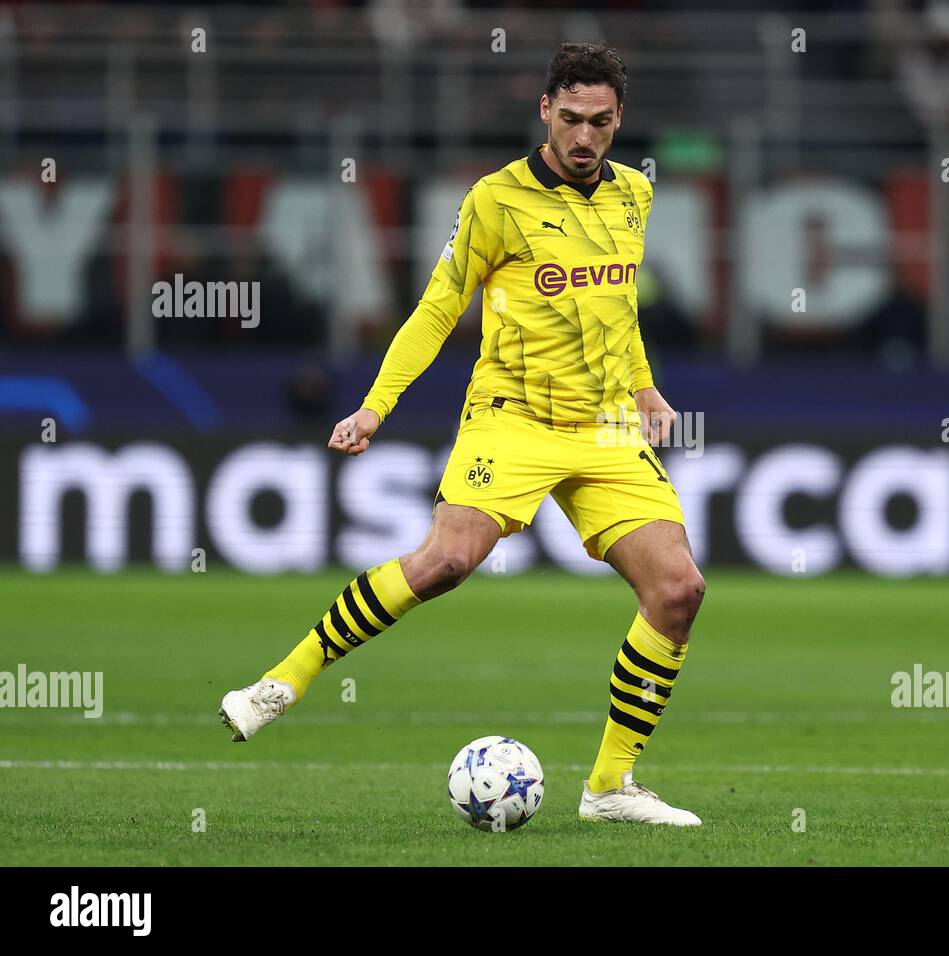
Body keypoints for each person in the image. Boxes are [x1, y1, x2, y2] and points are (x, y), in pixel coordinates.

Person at [218, 42, 706, 826]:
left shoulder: (635, 195)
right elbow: (439, 308)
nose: (585, 137)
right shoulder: (495, 200)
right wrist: (376, 406)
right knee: (445, 562)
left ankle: (610, 789)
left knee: (678, 590)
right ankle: (282, 681)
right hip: (511, 417)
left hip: (606, 425)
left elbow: (618, 306)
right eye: (571, 119)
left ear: (621, 121)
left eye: (602, 122)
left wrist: (644, 388)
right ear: (545, 111)